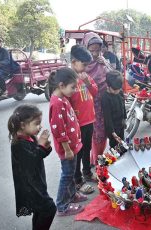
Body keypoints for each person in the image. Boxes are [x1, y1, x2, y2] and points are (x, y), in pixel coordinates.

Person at [8, 104, 56, 230]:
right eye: (36, 123)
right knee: (49, 208)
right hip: (30, 187)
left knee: (40, 211)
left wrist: (45, 146)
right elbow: (33, 159)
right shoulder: (18, 144)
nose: (40, 127)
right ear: (23, 125)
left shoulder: (29, 137)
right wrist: (40, 145)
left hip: (37, 183)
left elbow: (39, 155)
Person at [48, 67, 86, 216]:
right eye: (73, 87)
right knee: (67, 175)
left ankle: (72, 196)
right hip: (67, 148)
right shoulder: (56, 103)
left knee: (70, 173)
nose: (75, 90)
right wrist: (67, 149)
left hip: (72, 146)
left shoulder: (63, 98)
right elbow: (59, 130)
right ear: (61, 85)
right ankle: (62, 206)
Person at [69, 44, 98, 194]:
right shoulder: (69, 79)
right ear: (74, 62)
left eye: (87, 65)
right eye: (83, 64)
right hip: (77, 124)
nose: (86, 68)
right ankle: (77, 180)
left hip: (89, 120)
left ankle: (87, 172)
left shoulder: (87, 77)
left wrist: (87, 82)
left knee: (87, 149)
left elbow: (95, 91)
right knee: (78, 153)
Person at [82, 32, 113, 165]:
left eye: (97, 50)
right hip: (87, 106)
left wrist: (105, 63)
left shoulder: (102, 61)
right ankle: (88, 163)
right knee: (87, 135)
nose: (95, 54)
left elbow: (113, 77)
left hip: (103, 104)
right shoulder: (81, 64)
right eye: (91, 50)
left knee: (101, 133)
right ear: (86, 49)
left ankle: (96, 159)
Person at [101, 70, 126, 148]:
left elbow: (123, 106)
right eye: (115, 89)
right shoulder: (105, 97)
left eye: (119, 89)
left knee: (122, 145)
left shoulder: (119, 92)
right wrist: (112, 133)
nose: (117, 91)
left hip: (121, 124)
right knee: (115, 147)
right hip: (113, 128)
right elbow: (107, 117)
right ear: (108, 85)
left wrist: (124, 119)